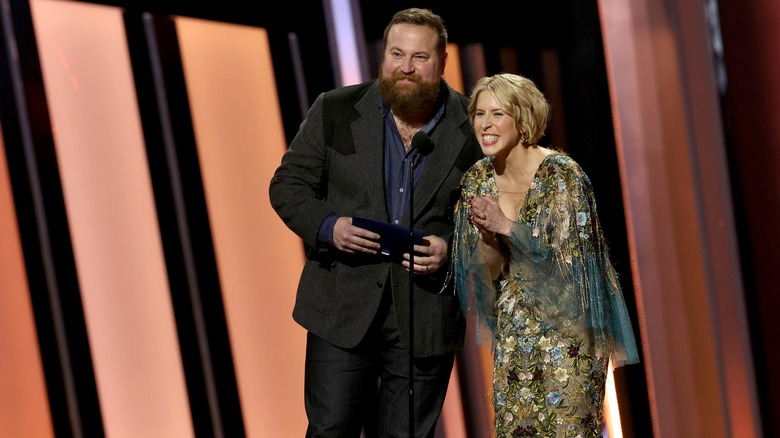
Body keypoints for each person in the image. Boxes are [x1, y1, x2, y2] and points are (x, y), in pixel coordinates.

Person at [269, 8, 482, 437]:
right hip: (340, 307)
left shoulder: (475, 125)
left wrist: (453, 248)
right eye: (396, 54)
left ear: (442, 62)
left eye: (419, 58)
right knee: (331, 429)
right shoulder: (336, 109)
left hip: (425, 314)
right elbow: (287, 186)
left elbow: (498, 217)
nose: (405, 67)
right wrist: (330, 226)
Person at [452, 73, 639, 437]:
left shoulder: (562, 176)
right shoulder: (476, 180)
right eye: (479, 114)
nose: (485, 125)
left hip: (568, 339)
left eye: (497, 114)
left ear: (522, 120)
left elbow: (572, 274)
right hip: (514, 339)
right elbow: (488, 276)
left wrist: (506, 225)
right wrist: (487, 235)